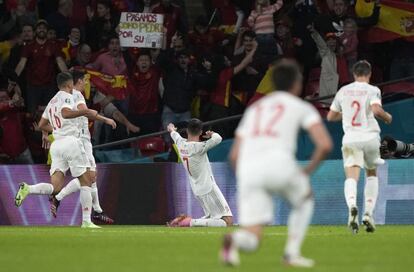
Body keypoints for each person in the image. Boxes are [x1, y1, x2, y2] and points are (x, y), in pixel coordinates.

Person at [220, 60, 332, 267]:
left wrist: (247, 177)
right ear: (297, 84)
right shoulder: (301, 107)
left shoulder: (255, 109)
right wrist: (307, 171)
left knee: (253, 238)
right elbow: (324, 144)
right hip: (279, 163)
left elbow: (234, 155)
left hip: (250, 169)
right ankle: (291, 254)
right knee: (305, 200)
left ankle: (234, 240)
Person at [14, 72, 104, 228]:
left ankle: (28, 188)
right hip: (71, 142)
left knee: (55, 187)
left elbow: (41, 125)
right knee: (87, 180)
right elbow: (66, 113)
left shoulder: (52, 100)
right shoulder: (67, 96)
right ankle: (86, 221)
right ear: (69, 85)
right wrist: (85, 112)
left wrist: (56, 130)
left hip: (56, 146)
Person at [327, 60, 392, 233]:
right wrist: (387, 117)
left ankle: (352, 207)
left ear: (353, 74)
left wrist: (346, 114)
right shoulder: (373, 90)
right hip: (370, 137)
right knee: (371, 174)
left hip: (351, 139)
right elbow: (377, 110)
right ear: (369, 74)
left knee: (351, 176)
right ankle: (368, 213)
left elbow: (331, 117)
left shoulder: (343, 91)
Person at [48, 70, 116, 224]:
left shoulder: (65, 97)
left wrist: (46, 133)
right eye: (85, 80)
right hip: (81, 140)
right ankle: (63, 199)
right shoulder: (77, 95)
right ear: (78, 81)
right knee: (90, 177)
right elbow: (85, 113)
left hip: (78, 139)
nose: (87, 83)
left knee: (91, 177)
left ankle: (96, 210)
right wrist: (105, 119)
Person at [167, 119, 233, 227]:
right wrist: (211, 134)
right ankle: (189, 222)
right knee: (227, 221)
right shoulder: (199, 147)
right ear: (200, 132)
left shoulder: (180, 144)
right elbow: (218, 138)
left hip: (196, 189)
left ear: (187, 131)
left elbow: (175, 135)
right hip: (208, 188)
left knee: (212, 217)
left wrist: (172, 129)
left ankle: (185, 221)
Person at [14, 20, 68, 114]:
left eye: (44, 28)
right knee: (33, 114)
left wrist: (68, 77)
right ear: (36, 31)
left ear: (47, 30)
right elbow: (21, 64)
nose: (42, 30)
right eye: (39, 28)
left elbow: (60, 62)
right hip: (32, 86)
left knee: (51, 114)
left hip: (49, 86)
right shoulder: (29, 46)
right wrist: (13, 78)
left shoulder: (53, 45)